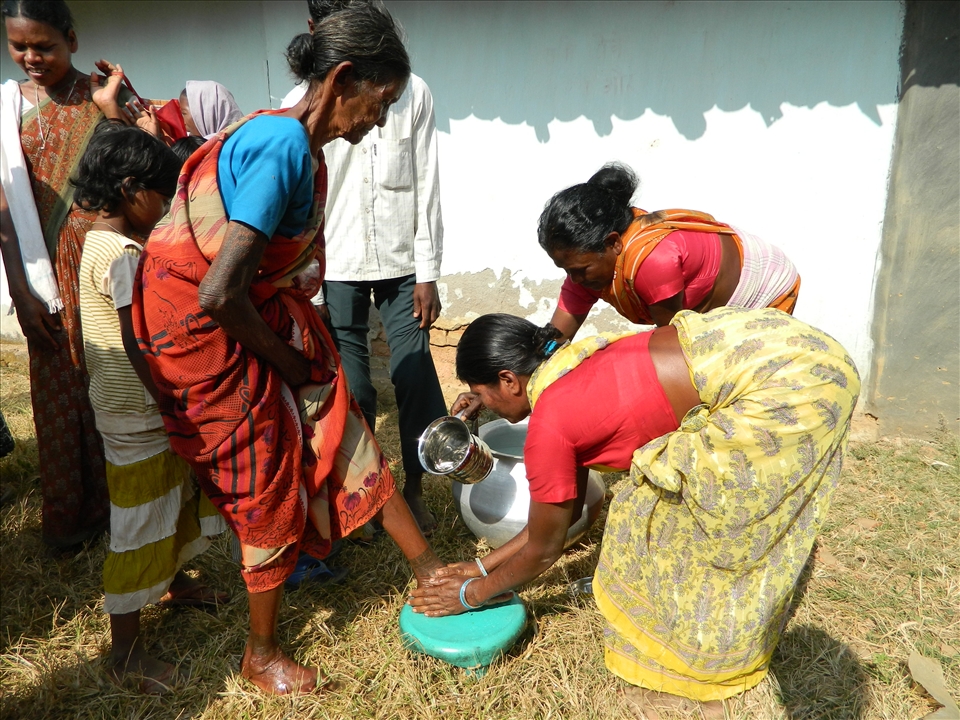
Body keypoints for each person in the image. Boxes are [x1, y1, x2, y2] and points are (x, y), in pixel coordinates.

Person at [131, 4, 443, 695]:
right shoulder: (280, 148)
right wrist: (286, 360)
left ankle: (426, 567)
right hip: (208, 338)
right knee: (265, 478)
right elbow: (218, 293)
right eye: (381, 102)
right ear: (342, 80)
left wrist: (302, 361)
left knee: (341, 417)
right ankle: (261, 652)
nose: (381, 120)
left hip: (250, 315)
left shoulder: (285, 139)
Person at [409, 307, 860, 716]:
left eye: (480, 394)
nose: (482, 405)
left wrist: (470, 595)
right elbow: (555, 521)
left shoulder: (551, 425)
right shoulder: (571, 361)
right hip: (777, 346)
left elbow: (546, 548)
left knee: (674, 523)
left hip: (788, 386)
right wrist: (478, 565)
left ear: (509, 380)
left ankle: (704, 661)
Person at [73, 125, 228, 694]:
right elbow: (135, 339)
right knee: (138, 518)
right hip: (138, 410)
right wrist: (170, 397)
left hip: (123, 405)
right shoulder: (123, 254)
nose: (166, 211)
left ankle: (176, 581)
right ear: (133, 188)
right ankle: (126, 652)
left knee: (170, 494)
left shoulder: (93, 239)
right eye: (162, 197)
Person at [282, 0, 446, 534]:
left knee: (415, 368)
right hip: (339, 259)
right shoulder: (297, 103)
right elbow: (301, 198)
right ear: (315, 30)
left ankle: (416, 487)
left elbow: (427, 179)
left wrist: (428, 270)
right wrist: (308, 280)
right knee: (355, 384)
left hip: (401, 258)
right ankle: (366, 493)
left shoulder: (411, 90)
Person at [0, 0, 136, 552]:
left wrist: (110, 108)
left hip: (104, 265)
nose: (31, 57)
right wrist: (21, 293)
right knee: (57, 398)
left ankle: (126, 512)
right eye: (18, 46)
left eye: (45, 45)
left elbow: (140, 168)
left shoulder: (104, 93)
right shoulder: (7, 111)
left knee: (115, 385)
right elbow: (4, 215)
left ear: (73, 41)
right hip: (43, 278)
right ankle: (69, 518)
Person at [540, 163, 800, 337]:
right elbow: (557, 337)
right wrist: (543, 354)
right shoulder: (588, 265)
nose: (574, 280)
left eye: (579, 270)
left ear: (613, 242)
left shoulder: (651, 262)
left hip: (765, 284)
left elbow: (672, 341)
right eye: (566, 270)